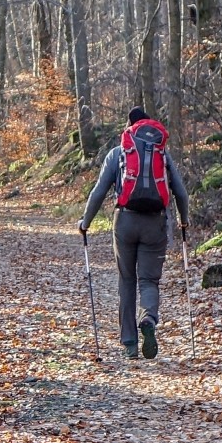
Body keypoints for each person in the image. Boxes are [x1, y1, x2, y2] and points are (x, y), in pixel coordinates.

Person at [77, 108, 191, 360]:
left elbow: (98, 192)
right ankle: (148, 318)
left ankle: (129, 343)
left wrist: (85, 222)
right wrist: (184, 221)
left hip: (125, 221)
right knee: (149, 281)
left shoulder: (118, 153)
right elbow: (181, 194)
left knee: (126, 280)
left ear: (129, 127)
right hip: (155, 223)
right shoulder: (162, 154)